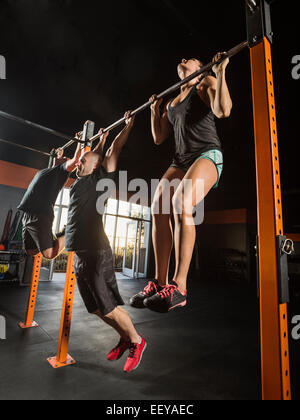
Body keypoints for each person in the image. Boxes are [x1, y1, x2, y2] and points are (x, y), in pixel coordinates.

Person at [131, 53, 232, 313]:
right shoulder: (174, 100)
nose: (184, 58)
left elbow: (223, 110)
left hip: (207, 154)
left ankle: (180, 287)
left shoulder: (205, 82)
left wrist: (220, 73)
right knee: (157, 207)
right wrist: (155, 112)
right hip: (181, 160)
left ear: (200, 68)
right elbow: (159, 137)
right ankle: (159, 281)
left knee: (180, 202)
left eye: (192, 59)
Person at [65, 112, 147, 373]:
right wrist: (93, 141)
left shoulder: (102, 180)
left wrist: (126, 126)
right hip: (80, 254)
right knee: (95, 310)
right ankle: (124, 338)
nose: (79, 162)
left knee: (108, 308)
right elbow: (90, 154)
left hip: (97, 251)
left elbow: (111, 150)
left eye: (84, 160)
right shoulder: (79, 181)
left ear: (96, 164)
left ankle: (136, 340)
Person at [18, 141, 82, 260]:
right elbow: (55, 164)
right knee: (31, 251)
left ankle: (69, 230)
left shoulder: (61, 171)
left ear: (65, 163)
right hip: (27, 214)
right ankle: (54, 237)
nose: (62, 157)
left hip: (40, 215)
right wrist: (58, 156)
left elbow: (75, 159)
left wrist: (79, 141)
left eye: (64, 158)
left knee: (49, 254)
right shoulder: (50, 171)